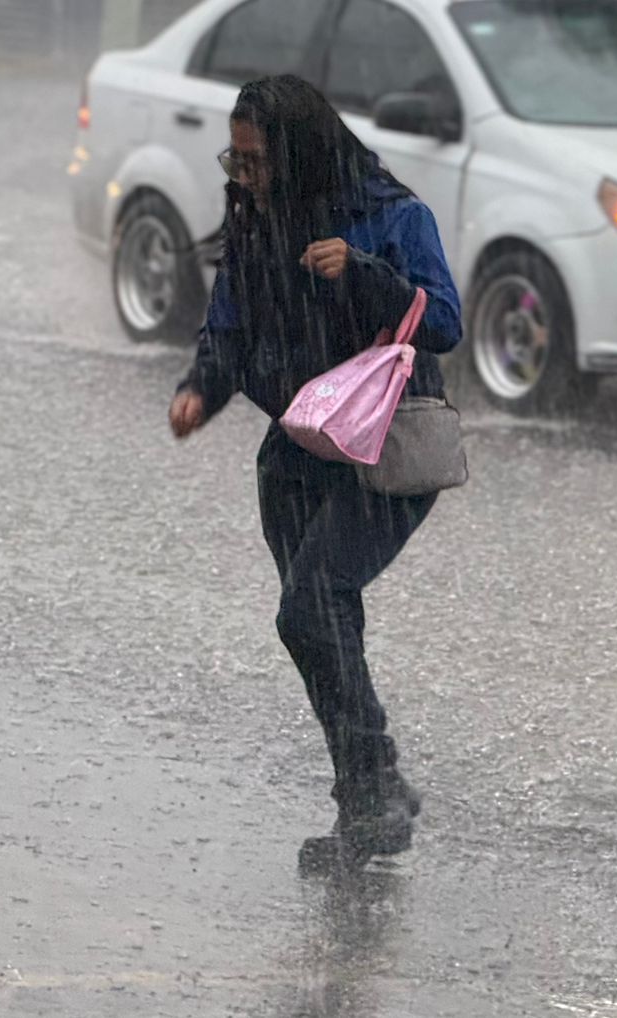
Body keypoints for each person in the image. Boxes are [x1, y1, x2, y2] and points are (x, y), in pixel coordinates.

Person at [167, 75, 462, 867]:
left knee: (311, 606)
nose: (241, 174)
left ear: (297, 153)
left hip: (385, 443)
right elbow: (228, 324)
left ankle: (374, 786)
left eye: (256, 159)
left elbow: (444, 321)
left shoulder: (391, 216)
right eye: (235, 156)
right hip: (299, 446)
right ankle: (369, 799)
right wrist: (201, 388)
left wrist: (363, 271)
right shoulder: (258, 219)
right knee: (326, 627)